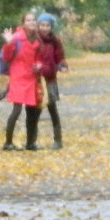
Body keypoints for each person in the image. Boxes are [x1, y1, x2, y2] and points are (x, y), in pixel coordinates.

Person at [0, 11, 43, 151]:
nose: (31, 22)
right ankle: (8, 143)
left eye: (33, 20)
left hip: (31, 77)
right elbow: (6, 57)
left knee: (33, 111)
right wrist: (8, 42)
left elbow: (39, 56)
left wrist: (39, 65)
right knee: (16, 110)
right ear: (23, 23)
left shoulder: (37, 38)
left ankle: (31, 143)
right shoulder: (17, 37)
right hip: (18, 77)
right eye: (28, 20)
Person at [36, 13, 68, 149]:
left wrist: (62, 65)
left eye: (47, 25)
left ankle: (58, 140)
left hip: (50, 79)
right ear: (38, 26)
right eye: (42, 25)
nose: (45, 28)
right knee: (34, 110)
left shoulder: (55, 41)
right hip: (36, 80)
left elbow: (60, 56)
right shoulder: (33, 39)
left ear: (51, 26)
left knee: (52, 108)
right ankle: (32, 141)